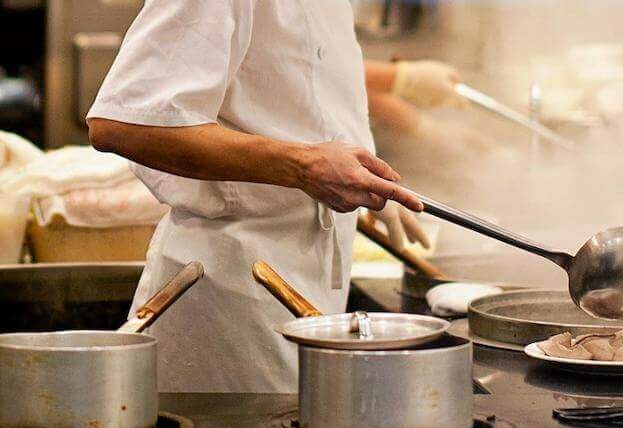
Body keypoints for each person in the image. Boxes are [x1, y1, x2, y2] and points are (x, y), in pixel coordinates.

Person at [87, 0, 466, 392]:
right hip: (235, 293)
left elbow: (297, 84)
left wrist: (360, 168)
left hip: (310, 284)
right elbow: (122, 124)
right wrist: (306, 166)